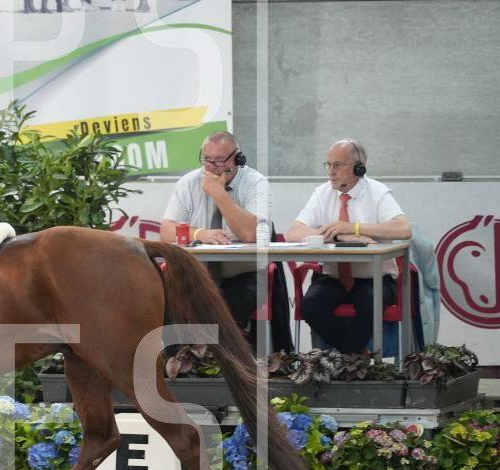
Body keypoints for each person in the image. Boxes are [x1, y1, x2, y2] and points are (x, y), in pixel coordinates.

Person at [286, 140, 412, 354]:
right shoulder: (322, 193)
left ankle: (345, 359)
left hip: (374, 278)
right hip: (333, 277)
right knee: (311, 306)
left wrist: (354, 227)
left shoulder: (377, 192)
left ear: (358, 167)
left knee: (370, 304)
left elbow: (403, 229)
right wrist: (340, 235)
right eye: (328, 165)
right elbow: (293, 232)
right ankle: (355, 357)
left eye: (338, 165)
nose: (331, 172)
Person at [160, 131, 268, 332]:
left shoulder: (255, 182)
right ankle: (183, 352)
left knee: (227, 314)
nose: (210, 167)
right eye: (206, 160)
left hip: (243, 276)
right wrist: (199, 234)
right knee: (165, 306)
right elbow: (166, 230)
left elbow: (251, 234)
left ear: (238, 159)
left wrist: (219, 194)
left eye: (219, 160)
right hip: (196, 275)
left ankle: (216, 352)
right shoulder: (189, 182)